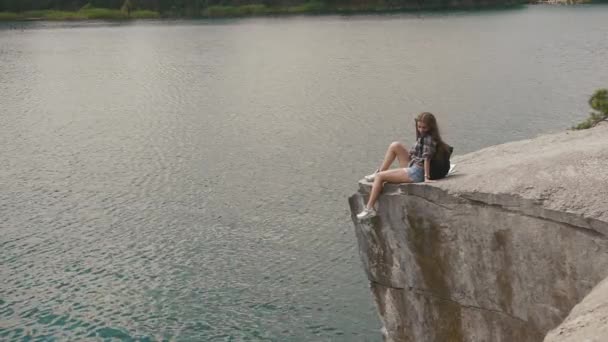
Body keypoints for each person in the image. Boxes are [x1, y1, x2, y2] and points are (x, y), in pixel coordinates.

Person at [356, 112, 448, 220]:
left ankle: (370, 209)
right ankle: (379, 172)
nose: (421, 129)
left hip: (417, 172)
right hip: (413, 164)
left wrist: (426, 177)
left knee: (380, 177)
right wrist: (408, 154)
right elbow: (417, 153)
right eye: (419, 127)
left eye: (424, 127)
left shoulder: (429, 139)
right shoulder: (423, 136)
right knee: (395, 145)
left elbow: (426, 159)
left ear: (430, 127)